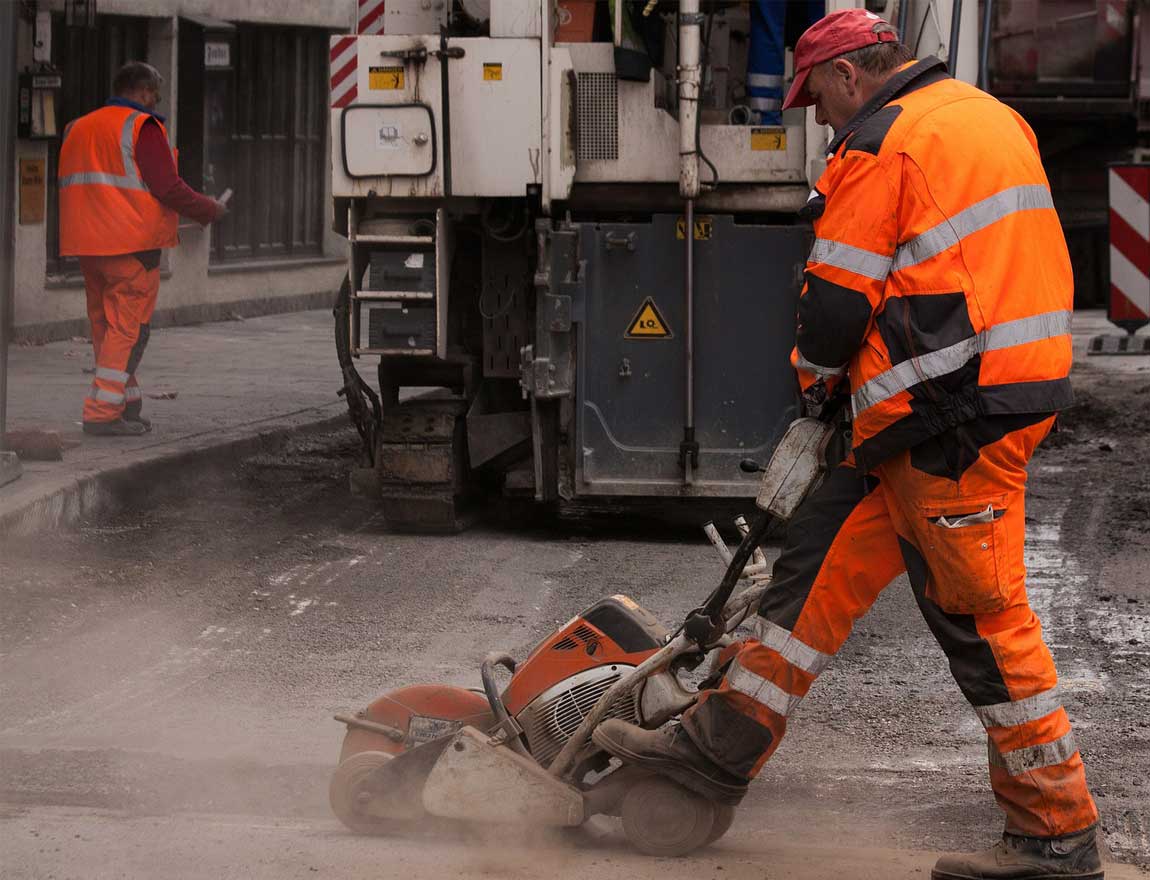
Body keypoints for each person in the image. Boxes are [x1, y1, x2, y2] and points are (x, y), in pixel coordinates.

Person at [593, 10, 1102, 880]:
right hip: (950, 406)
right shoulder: (986, 115)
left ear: (852, 75)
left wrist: (816, 387)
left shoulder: (879, 143)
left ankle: (1056, 835)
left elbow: (835, 308)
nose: (817, 116)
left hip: (952, 421)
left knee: (981, 621)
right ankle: (710, 757)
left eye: (817, 96)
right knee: (809, 578)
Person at [58, 61, 226, 436]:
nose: (156, 101)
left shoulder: (79, 127)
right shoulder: (142, 127)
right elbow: (168, 187)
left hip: (88, 245)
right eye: (155, 94)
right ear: (144, 91)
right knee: (128, 331)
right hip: (132, 246)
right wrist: (208, 209)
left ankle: (125, 402)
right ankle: (102, 414)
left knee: (106, 327)